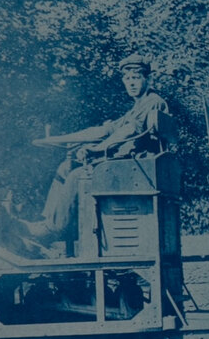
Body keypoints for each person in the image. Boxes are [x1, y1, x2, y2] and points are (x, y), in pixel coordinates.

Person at [21, 54, 172, 244]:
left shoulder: (152, 101)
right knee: (66, 167)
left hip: (138, 170)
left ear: (148, 79)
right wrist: (56, 139)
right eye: (127, 79)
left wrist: (98, 150)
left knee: (77, 176)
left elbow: (129, 131)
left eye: (136, 78)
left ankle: (54, 228)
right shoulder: (135, 108)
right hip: (130, 168)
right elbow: (102, 130)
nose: (131, 83)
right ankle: (49, 222)